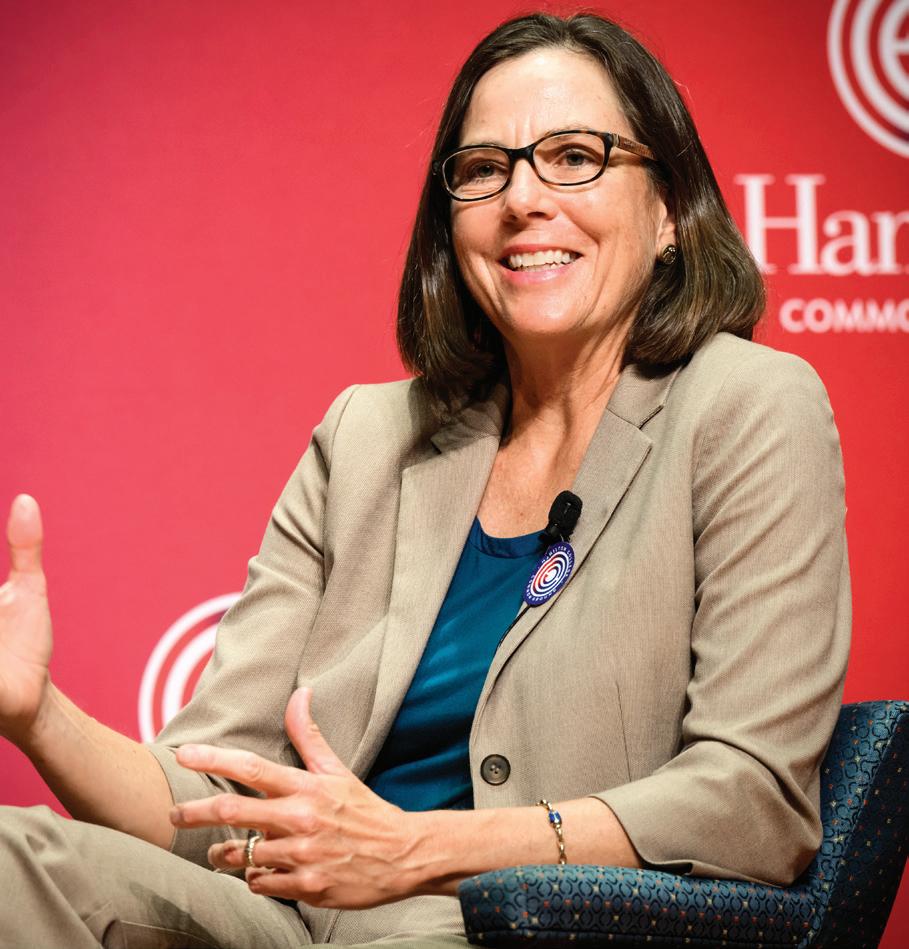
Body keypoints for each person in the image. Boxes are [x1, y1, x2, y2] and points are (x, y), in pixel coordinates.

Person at [0, 12, 850, 949]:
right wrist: (40, 715)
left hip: (534, 929)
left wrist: (415, 851)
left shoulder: (746, 405)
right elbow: (216, 793)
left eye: (574, 157)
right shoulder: (366, 435)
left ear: (668, 212)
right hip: (293, 921)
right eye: (483, 169)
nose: (522, 198)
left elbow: (751, 800)